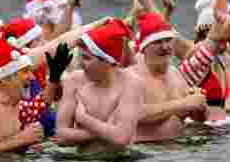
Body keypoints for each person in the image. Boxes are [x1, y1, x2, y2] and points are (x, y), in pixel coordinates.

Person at [54, 19, 145, 154]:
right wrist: (107, 131)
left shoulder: (131, 84)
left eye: (86, 58)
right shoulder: (73, 81)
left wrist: (84, 119)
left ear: (107, 61)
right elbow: (61, 136)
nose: (80, 63)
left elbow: (122, 138)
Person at [131, 12, 205, 141]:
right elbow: (135, 114)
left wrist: (199, 105)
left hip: (176, 151)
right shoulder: (132, 74)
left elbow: (198, 119)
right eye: (158, 42)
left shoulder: (175, 74)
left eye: (168, 40)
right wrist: (183, 104)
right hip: (144, 151)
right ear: (144, 47)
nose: (165, 47)